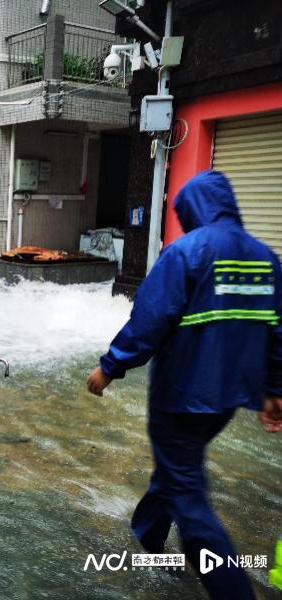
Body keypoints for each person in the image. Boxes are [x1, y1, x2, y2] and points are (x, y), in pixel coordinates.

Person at [86, 170, 282, 600]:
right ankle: (148, 536)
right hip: (227, 398)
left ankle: (232, 589)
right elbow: (277, 330)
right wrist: (274, 389)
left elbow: (149, 321)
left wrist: (110, 367)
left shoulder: (186, 253)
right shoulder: (266, 258)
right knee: (178, 468)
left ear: (194, 208)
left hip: (181, 395)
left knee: (191, 502)